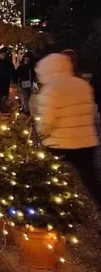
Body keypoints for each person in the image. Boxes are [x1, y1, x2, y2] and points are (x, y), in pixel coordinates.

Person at [35, 53, 101, 210]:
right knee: (90, 180)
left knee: (50, 178)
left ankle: (54, 211)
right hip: (86, 141)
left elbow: (47, 121)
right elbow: (90, 112)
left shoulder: (51, 89)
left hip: (59, 142)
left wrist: (41, 133)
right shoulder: (82, 85)